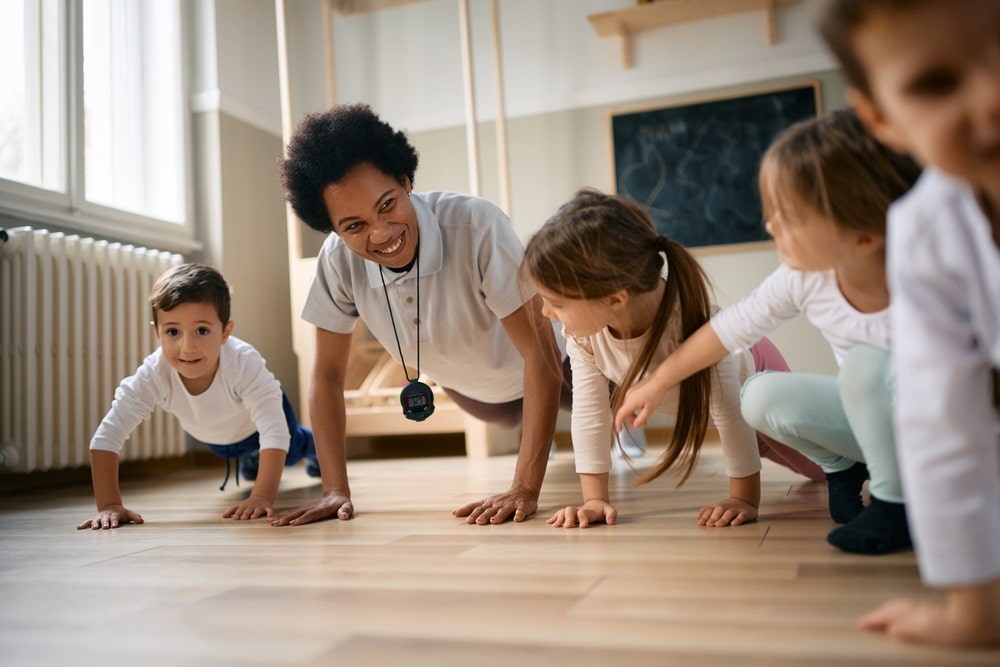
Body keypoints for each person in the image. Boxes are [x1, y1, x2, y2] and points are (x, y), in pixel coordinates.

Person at [616, 109, 922, 556]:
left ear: (864, 236)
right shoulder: (803, 276)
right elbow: (725, 331)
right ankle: (843, 466)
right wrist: (658, 380)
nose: (771, 226)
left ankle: (896, 505)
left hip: (942, 430)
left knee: (864, 361)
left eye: (791, 216)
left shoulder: (929, 278)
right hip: (880, 426)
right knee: (757, 394)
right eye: (773, 212)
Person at [271, 103, 565, 527]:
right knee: (511, 412)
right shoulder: (336, 262)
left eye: (387, 205)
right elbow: (328, 377)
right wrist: (335, 489)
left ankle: (594, 427)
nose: (381, 233)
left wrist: (525, 485)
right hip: (480, 396)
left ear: (406, 182)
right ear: (332, 228)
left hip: (562, 367)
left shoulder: (477, 225)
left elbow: (541, 355)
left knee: (617, 403)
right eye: (353, 226)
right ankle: (545, 436)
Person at [814, 0, 1000, 647]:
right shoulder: (926, 227)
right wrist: (973, 608)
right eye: (937, 83)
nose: (992, 93)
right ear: (881, 118)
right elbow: (945, 420)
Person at [522, 187, 824, 529]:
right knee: (779, 454)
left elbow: (729, 409)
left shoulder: (694, 324)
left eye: (556, 303)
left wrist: (742, 497)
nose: (545, 312)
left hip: (757, 385)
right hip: (736, 417)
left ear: (615, 299)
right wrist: (595, 500)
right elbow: (590, 411)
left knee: (821, 466)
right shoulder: (583, 335)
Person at [77, 263, 317, 530]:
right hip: (216, 438)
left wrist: (261, 496)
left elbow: (274, 432)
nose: (187, 347)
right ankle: (253, 461)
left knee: (292, 451)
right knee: (240, 457)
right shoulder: (153, 374)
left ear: (225, 331)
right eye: (173, 332)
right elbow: (106, 438)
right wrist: (109, 505)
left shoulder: (243, 363)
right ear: (157, 332)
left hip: (263, 422)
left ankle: (317, 449)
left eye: (201, 331)